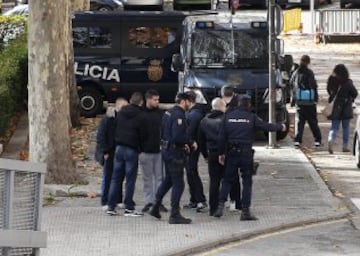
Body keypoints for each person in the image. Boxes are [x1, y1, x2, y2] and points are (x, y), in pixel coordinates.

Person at [213, 94, 286, 221]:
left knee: (227, 180)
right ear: (248, 105)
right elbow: (266, 127)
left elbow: (221, 138)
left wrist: (221, 153)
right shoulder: (251, 117)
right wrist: (280, 126)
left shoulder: (228, 117)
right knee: (247, 182)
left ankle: (220, 206)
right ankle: (245, 212)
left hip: (231, 153)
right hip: (246, 154)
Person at [149, 93, 197, 224]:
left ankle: (155, 206)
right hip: (175, 153)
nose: (190, 105)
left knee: (169, 180)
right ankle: (174, 214)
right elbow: (177, 136)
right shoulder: (179, 115)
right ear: (184, 101)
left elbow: (163, 131)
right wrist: (190, 142)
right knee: (179, 184)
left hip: (166, 150)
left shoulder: (168, 112)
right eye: (189, 102)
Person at [106, 92, 146, 216]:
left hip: (119, 148)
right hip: (131, 149)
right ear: (141, 102)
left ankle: (111, 206)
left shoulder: (121, 113)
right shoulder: (141, 115)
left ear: (130, 100)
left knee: (115, 178)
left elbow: (114, 127)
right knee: (130, 179)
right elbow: (143, 134)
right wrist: (140, 148)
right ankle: (129, 207)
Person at [95, 98, 128, 211]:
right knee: (108, 176)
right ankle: (105, 200)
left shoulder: (123, 118)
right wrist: (105, 151)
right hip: (109, 151)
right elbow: (101, 136)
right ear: (117, 106)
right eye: (123, 107)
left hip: (119, 151)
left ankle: (118, 199)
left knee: (119, 176)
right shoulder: (108, 119)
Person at [139, 90, 168, 213]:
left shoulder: (160, 114)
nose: (157, 102)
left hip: (158, 150)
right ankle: (148, 201)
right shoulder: (141, 114)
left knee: (159, 177)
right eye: (155, 99)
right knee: (147, 178)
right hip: (145, 151)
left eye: (158, 99)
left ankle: (158, 201)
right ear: (148, 99)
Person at [198, 97, 227, 216]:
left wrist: (205, 154)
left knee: (214, 181)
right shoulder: (225, 120)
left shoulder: (204, 121)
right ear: (222, 107)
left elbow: (200, 140)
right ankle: (224, 204)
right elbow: (226, 138)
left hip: (211, 153)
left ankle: (213, 207)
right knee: (227, 180)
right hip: (225, 154)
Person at [183, 90, 208, 212]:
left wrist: (189, 141)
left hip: (192, 148)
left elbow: (190, 132)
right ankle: (194, 199)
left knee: (192, 172)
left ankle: (200, 200)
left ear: (188, 101)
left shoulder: (194, 115)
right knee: (190, 173)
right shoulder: (194, 113)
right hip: (193, 147)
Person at [290, 55, 322, 148]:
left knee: (300, 122)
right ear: (308, 62)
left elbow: (291, 84)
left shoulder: (296, 73)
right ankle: (317, 140)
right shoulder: (310, 73)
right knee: (313, 122)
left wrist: (293, 99)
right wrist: (315, 98)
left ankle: (298, 141)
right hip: (310, 102)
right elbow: (314, 86)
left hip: (300, 102)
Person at [327, 64, 358, 154]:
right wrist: (350, 98)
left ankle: (331, 139)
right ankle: (345, 146)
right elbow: (355, 93)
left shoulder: (332, 80)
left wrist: (332, 96)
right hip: (346, 107)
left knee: (334, 127)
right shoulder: (348, 82)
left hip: (336, 106)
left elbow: (328, 90)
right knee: (346, 127)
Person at [220, 85, 242, 212]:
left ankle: (232, 200)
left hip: (229, 148)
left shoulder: (226, 110)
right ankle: (235, 201)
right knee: (235, 177)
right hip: (239, 145)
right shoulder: (239, 106)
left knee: (229, 176)